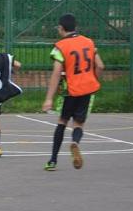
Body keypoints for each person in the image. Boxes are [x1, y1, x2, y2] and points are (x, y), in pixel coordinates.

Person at [42, 14, 104, 171]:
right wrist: (93, 79)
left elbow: (56, 73)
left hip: (70, 90)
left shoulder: (61, 46)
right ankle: (75, 142)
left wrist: (49, 98)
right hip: (87, 89)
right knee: (78, 123)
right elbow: (100, 66)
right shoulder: (89, 42)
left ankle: (53, 161)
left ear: (61, 28)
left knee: (62, 122)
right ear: (76, 27)